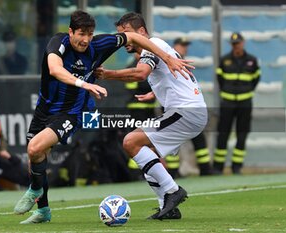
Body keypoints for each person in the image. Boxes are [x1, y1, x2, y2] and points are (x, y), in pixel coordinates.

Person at [13, 10, 194, 224]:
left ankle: (34, 189)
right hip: (44, 109)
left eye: (90, 34)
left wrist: (167, 57)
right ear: (71, 32)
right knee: (35, 158)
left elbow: (134, 37)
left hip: (71, 112)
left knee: (35, 148)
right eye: (81, 34)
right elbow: (54, 69)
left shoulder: (99, 45)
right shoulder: (58, 42)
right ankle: (43, 211)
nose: (86, 40)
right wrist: (84, 83)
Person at [95, 12, 207, 220]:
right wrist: (155, 92)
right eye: (121, 35)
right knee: (146, 156)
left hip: (186, 111)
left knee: (130, 142)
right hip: (190, 111)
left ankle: (172, 191)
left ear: (141, 32)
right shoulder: (160, 47)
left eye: (127, 33)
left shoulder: (151, 45)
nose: (125, 39)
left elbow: (140, 74)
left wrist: (108, 74)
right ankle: (167, 206)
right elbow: (175, 77)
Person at [213, 32, 260, 174]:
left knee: (242, 133)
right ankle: (218, 167)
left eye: (238, 43)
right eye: (234, 44)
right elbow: (220, 79)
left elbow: (255, 79)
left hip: (245, 103)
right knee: (223, 133)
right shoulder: (224, 60)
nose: (236, 46)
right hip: (227, 102)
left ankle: (237, 166)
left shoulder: (252, 60)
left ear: (243, 43)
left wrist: (246, 92)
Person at [165, 37, 212, 177]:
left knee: (198, 138)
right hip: (175, 107)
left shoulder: (183, 62)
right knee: (172, 138)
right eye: (182, 45)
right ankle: (173, 172)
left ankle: (205, 169)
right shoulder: (167, 61)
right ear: (175, 46)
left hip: (189, 107)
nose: (185, 48)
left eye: (186, 45)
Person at [0, 91, 29, 187]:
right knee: (7, 165)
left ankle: (31, 179)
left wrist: (3, 149)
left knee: (16, 160)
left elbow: (2, 136)